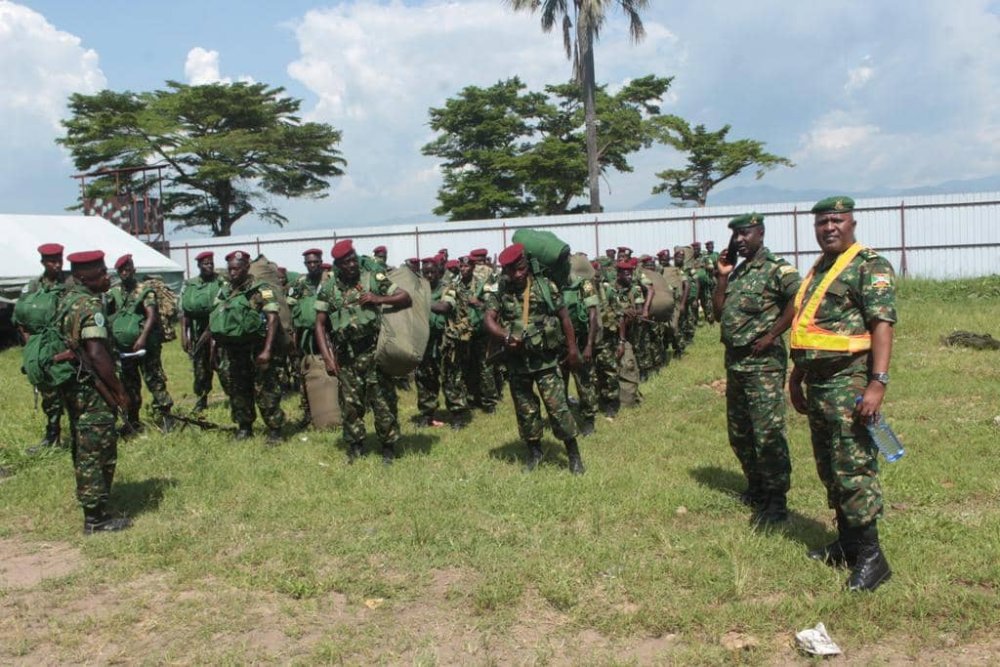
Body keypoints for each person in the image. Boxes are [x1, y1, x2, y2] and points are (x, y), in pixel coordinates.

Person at [788, 196, 897, 592]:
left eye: (836, 220)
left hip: (849, 382)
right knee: (830, 468)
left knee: (853, 469)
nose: (829, 227)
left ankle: (872, 557)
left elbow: (882, 325)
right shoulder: (821, 268)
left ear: (852, 223)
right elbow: (810, 329)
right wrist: (796, 376)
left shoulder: (870, 266)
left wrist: (877, 383)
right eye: (822, 222)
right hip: (818, 384)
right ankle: (848, 544)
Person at [712, 213, 801, 526]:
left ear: (760, 233)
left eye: (745, 233)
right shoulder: (736, 272)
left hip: (763, 365)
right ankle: (756, 487)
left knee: (767, 433)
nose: (739, 240)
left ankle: (776, 499)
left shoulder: (777, 269)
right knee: (740, 432)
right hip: (736, 363)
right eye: (736, 235)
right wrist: (722, 276)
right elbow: (718, 312)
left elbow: (798, 300)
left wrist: (773, 334)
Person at [484, 243, 585, 474]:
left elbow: (564, 318)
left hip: (545, 359)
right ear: (505, 271)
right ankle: (535, 453)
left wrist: (572, 349)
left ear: (527, 264)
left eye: (521, 268)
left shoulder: (544, 286)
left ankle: (573, 455)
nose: (518, 275)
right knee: (525, 409)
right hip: (517, 360)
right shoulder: (500, 289)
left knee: (557, 407)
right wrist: (506, 336)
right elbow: (489, 320)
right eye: (512, 271)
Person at [314, 239, 412, 464]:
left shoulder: (372, 279)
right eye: (346, 262)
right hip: (346, 355)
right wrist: (327, 358)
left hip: (374, 351)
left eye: (353, 260)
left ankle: (388, 446)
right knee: (350, 404)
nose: (351, 265)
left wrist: (379, 299)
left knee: (383, 400)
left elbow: (405, 297)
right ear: (338, 265)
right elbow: (319, 324)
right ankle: (355, 445)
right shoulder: (329, 289)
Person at [59, 250, 133, 533]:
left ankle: (94, 508)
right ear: (81, 276)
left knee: (83, 446)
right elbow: (97, 353)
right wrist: (119, 391)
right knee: (97, 450)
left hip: (74, 386)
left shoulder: (67, 300)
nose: (106, 276)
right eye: (100, 272)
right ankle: (96, 519)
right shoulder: (89, 305)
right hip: (92, 390)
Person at [210, 250, 286, 443]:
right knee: (238, 389)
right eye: (230, 269)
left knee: (266, 389)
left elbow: (273, 318)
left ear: (246, 268)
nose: (232, 272)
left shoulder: (262, 289)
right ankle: (244, 427)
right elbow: (216, 319)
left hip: (257, 347)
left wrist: (267, 350)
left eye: (237, 268)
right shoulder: (224, 291)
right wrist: (214, 348)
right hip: (234, 350)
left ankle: (275, 429)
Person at [12, 243, 71, 448]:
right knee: (49, 392)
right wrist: (32, 344)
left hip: (67, 344)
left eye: (59, 260)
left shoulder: (71, 282)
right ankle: (53, 434)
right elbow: (20, 318)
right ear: (43, 262)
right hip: (43, 347)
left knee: (73, 390)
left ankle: (81, 434)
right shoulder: (33, 286)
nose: (57, 265)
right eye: (52, 261)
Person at [108, 254, 175, 433]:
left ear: (133, 270)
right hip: (124, 349)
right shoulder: (114, 292)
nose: (125, 273)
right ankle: (133, 421)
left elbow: (151, 316)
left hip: (146, 347)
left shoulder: (145, 290)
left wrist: (142, 338)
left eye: (127, 269)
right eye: (121, 270)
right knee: (129, 384)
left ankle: (167, 417)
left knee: (154, 380)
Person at [415, 256, 471, 429]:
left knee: (451, 378)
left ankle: (457, 415)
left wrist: (418, 302)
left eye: (432, 272)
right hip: (425, 341)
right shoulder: (418, 290)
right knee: (425, 378)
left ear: (439, 272)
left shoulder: (448, 288)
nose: (429, 276)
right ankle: (427, 414)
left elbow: (444, 307)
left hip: (446, 342)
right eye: (425, 273)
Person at [179, 251, 226, 412]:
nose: (209, 266)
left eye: (211, 263)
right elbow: (184, 311)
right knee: (200, 368)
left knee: (222, 365)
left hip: (218, 330)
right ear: (199, 265)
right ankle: (201, 399)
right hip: (197, 332)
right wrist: (184, 334)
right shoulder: (189, 284)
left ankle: (234, 397)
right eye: (206, 263)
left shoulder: (221, 282)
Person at [286, 249, 328, 427]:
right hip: (306, 337)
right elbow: (290, 306)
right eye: (309, 263)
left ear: (321, 262)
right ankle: (308, 412)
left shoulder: (330, 280)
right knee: (306, 372)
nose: (313, 265)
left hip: (328, 335)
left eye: (316, 262)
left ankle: (333, 410)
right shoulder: (300, 283)